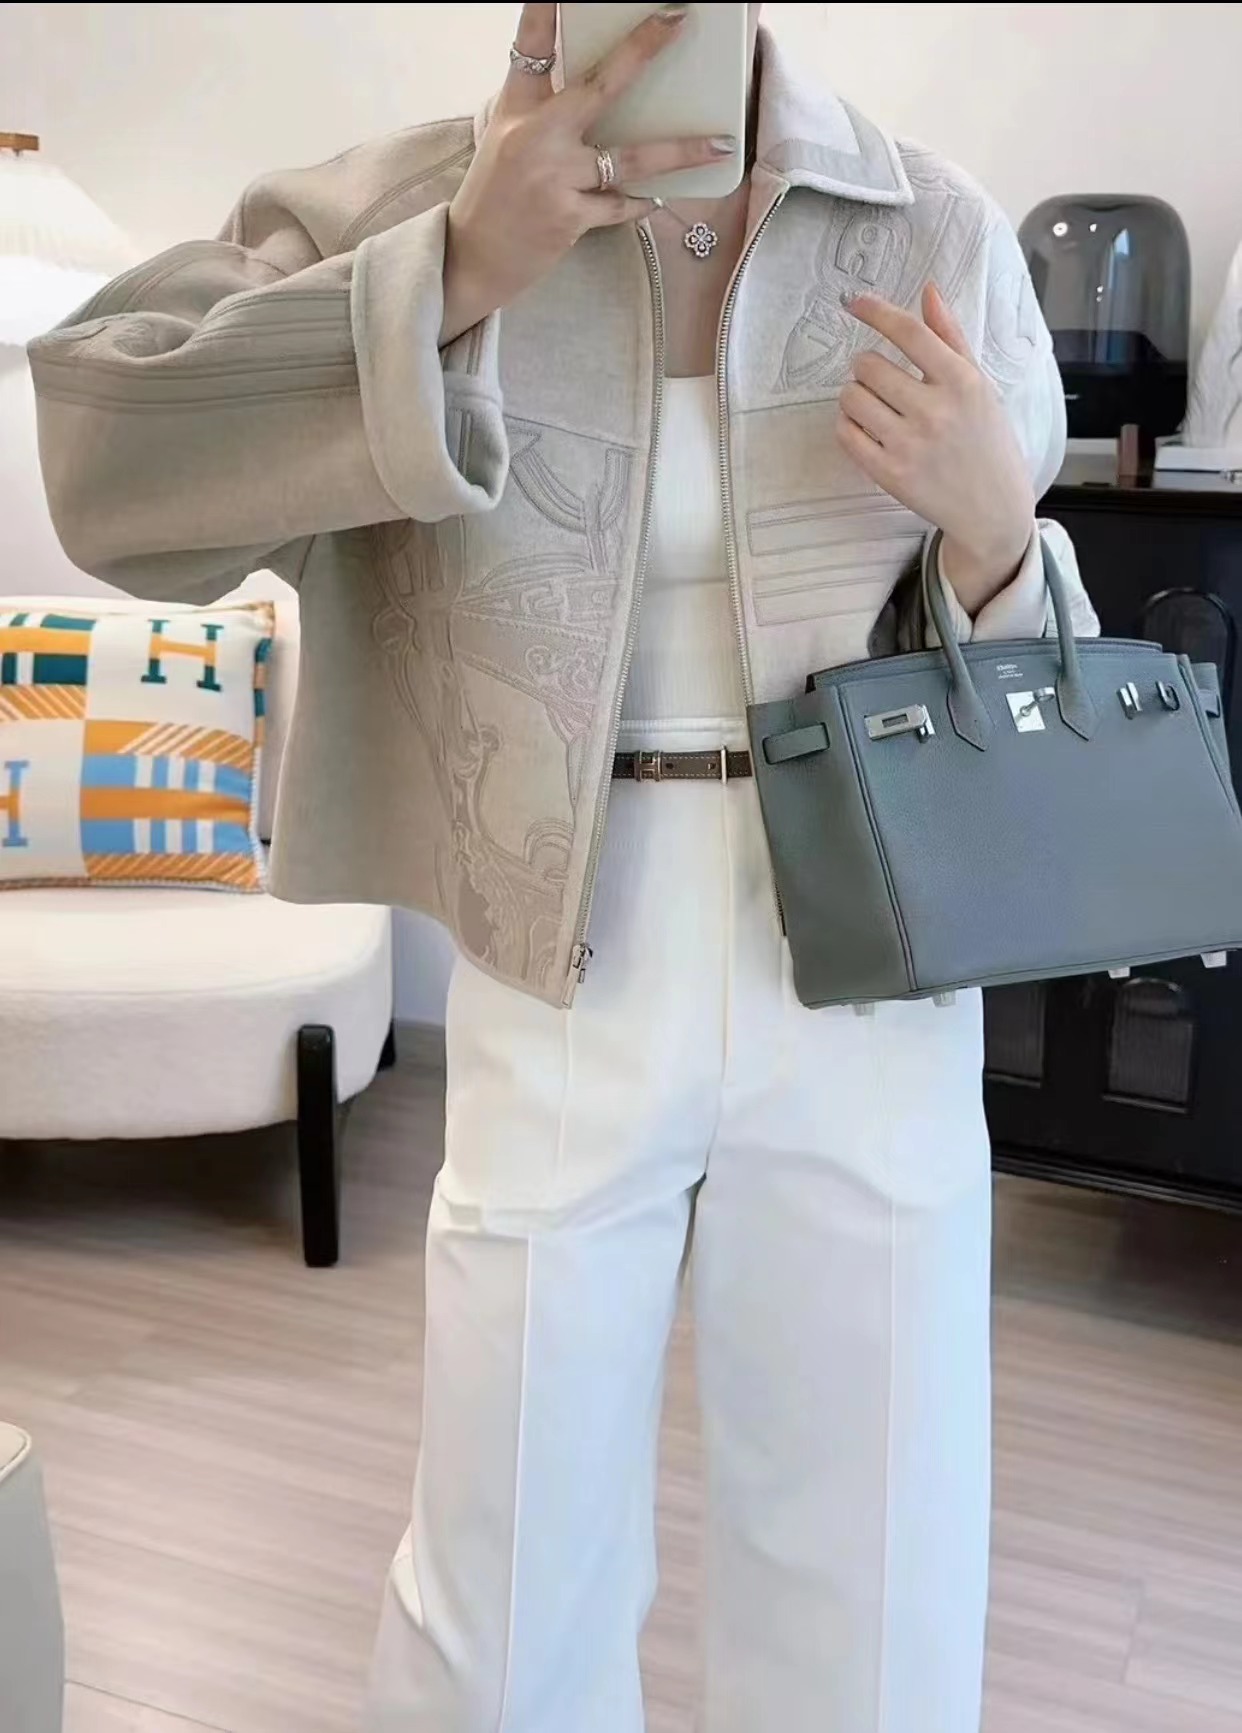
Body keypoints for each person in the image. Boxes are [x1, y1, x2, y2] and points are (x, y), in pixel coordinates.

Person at [29, 4, 1099, 1729]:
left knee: (876, 1558)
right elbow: (108, 462)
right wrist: (452, 269)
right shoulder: (404, 205)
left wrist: (996, 532)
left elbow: (1033, 705)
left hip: (865, 956)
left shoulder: (931, 227)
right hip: (557, 942)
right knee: (504, 1564)